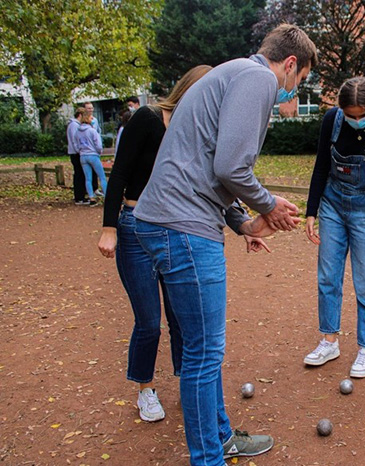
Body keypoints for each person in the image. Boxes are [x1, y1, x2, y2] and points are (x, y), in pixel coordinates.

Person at [133, 24, 317, 465]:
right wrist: (268, 205)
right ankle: (208, 458)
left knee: (202, 348)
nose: (293, 92)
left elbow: (205, 163)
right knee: (203, 352)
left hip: (170, 222)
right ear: (290, 64)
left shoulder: (233, 72)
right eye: (300, 83)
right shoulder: (258, 79)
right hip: (183, 228)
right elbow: (232, 167)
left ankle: (219, 439)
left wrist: (243, 224)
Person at [98, 65, 212, 423]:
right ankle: (145, 389)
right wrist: (109, 227)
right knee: (149, 321)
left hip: (173, 228)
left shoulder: (194, 130)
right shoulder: (148, 119)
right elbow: (119, 173)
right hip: (133, 227)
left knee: (180, 315)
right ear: (189, 91)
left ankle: (185, 381)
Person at [303, 77, 365, 378]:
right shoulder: (332, 120)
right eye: (351, 115)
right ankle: (329, 340)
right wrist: (311, 211)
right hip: (332, 204)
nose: (357, 120)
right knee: (328, 275)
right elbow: (322, 164)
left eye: (362, 115)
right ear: (340, 108)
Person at [74, 108, 108, 207]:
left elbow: (76, 145)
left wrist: (81, 151)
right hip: (93, 155)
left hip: (83, 156)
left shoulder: (78, 131)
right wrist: (99, 152)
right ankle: (107, 196)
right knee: (102, 177)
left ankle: (91, 197)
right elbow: (98, 145)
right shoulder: (92, 131)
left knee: (87, 178)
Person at [67, 108, 89, 206]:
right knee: (79, 174)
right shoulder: (74, 125)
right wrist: (79, 150)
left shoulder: (75, 125)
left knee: (81, 174)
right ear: (80, 115)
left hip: (77, 152)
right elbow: (74, 140)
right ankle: (79, 197)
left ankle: (81, 195)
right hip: (76, 153)